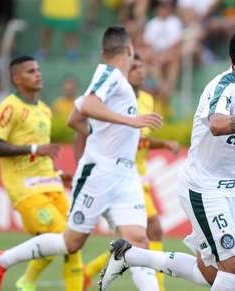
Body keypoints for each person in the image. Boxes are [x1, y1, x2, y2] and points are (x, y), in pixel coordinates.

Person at [98, 27, 235, 291]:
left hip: (225, 187)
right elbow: (217, 125)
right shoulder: (222, 87)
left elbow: (230, 139)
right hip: (203, 188)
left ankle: (128, 256)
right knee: (234, 265)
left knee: (212, 275)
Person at [0, 26, 163, 291]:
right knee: (71, 242)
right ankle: (0, 260)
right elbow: (89, 105)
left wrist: (103, 133)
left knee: (139, 241)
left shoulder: (116, 82)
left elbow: (74, 118)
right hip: (100, 173)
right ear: (130, 50)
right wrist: (129, 121)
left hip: (125, 175)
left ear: (103, 52)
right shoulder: (110, 74)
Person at [0, 56, 83, 291]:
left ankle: (26, 282)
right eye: (30, 71)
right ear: (17, 79)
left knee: (74, 241)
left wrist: (58, 174)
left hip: (50, 185)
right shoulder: (10, 106)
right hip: (25, 189)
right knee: (63, 238)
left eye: (38, 70)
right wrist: (34, 149)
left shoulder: (45, 111)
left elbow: (39, 158)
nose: (37, 74)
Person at [82, 53, 180, 291]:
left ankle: (90, 271)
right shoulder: (115, 98)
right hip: (121, 174)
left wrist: (163, 143)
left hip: (140, 172)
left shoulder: (146, 98)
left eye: (142, 67)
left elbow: (140, 138)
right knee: (153, 229)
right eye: (135, 67)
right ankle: (158, 287)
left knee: (132, 241)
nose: (141, 71)